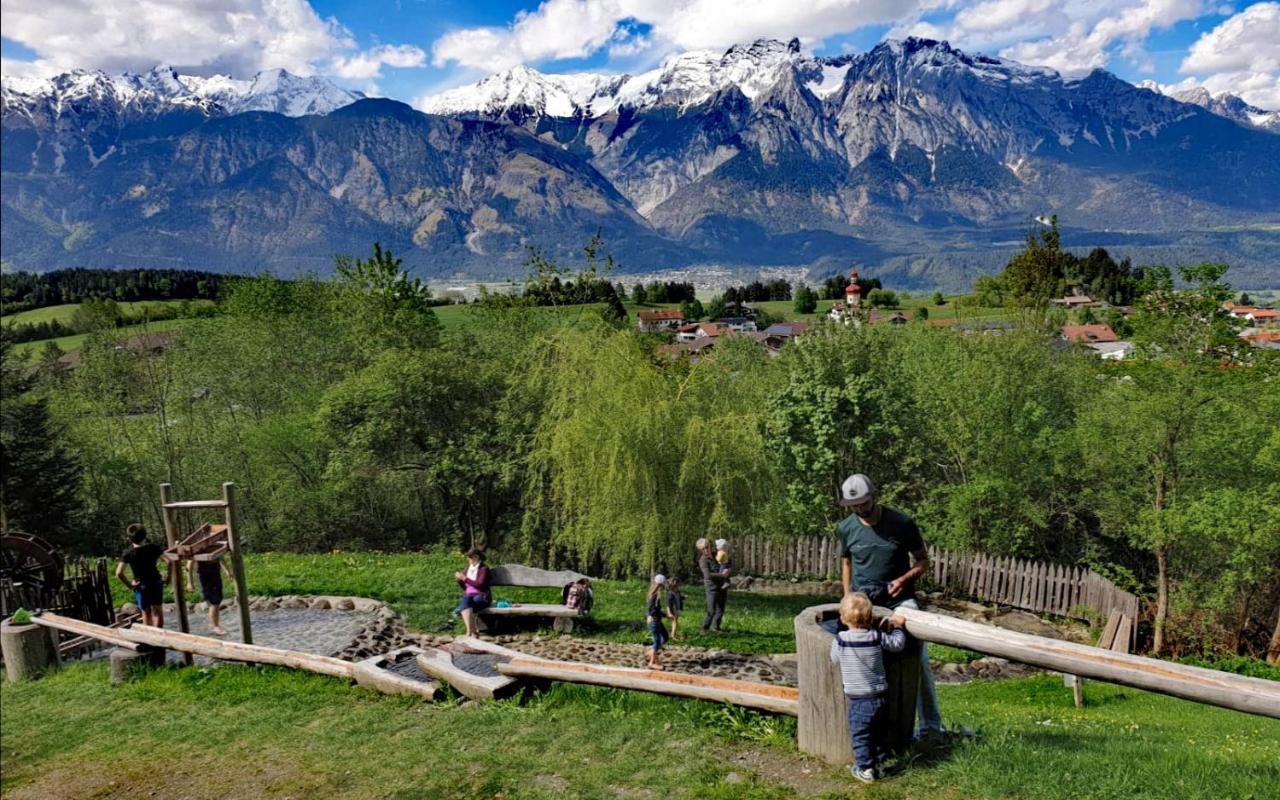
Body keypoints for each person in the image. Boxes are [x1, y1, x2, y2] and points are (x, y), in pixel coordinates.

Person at [836, 473, 944, 741]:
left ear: (874, 495)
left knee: (917, 658)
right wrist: (847, 597)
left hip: (900, 599)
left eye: (864, 502)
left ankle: (931, 728)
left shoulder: (902, 523)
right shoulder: (846, 528)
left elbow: (923, 562)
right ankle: (858, 729)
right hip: (863, 601)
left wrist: (903, 579)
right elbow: (847, 564)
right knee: (853, 655)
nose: (860, 508)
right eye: (854, 505)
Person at [830, 592, 908, 783]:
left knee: (861, 735)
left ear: (842, 618)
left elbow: (834, 658)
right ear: (871, 618)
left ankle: (865, 769)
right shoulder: (876, 636)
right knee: (879, 733)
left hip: (858, 700)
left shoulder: (840, 639)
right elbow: (897, 644)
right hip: (880, 697)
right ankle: (879, 765)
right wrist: (897, 628)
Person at [115, 523, 166, 628]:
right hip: (155, 581)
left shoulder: (128, 553)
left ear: (129, 538)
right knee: (157, 611)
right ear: (145, 535)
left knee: (146, 612)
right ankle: (159, 635)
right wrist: (169, 578)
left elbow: (119, 573)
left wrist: (130, 586)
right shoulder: (153, 547)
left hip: (141, 585)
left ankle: (149, 638)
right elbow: (169, 562)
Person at [186, 553, 233, 635]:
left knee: (218, 599)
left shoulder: (214, 547)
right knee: (213, 601)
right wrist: (190, 582)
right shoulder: (197, 549)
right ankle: (215, 626)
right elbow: (189, 565)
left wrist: (227, 571)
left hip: (215, 573)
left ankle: (215, 624)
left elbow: (220, 558)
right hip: (205, 576)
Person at [452, 547, 491, 637]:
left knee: (465, 606)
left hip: (481, 595)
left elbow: (479, 585)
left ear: (476, 557)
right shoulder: (468, 568)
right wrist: (459, 580)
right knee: (465, 601)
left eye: (470, 557)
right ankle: (471, 632)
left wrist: (465, 579)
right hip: (469, 595)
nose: (468, 560)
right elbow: (466, 587)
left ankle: (470, 632)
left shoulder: (483, 569)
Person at [696, 538, 730, 633]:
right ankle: (704, 628)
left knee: (721, 609)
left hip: (722, 585)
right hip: (711, 587)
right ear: (700, 550)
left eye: (707, 547)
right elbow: (707, 575)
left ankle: (716, 627)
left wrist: (728, 569)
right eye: (703, 549)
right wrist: (722, 575)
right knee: (711, 610)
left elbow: (726, 561)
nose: (706, 550)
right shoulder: (703, 560)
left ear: (710, 546)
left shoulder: (717, 554)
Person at [645, 574, 669, 670]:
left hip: (657, 619)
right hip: (654, 621)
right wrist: (650, 615)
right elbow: (651, 609)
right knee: (657, 641)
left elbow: (654, 609)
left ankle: (651, 652)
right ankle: (652, 662)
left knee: (665, 637)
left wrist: (665, 615)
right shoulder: (654, 595)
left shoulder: (655, 594)